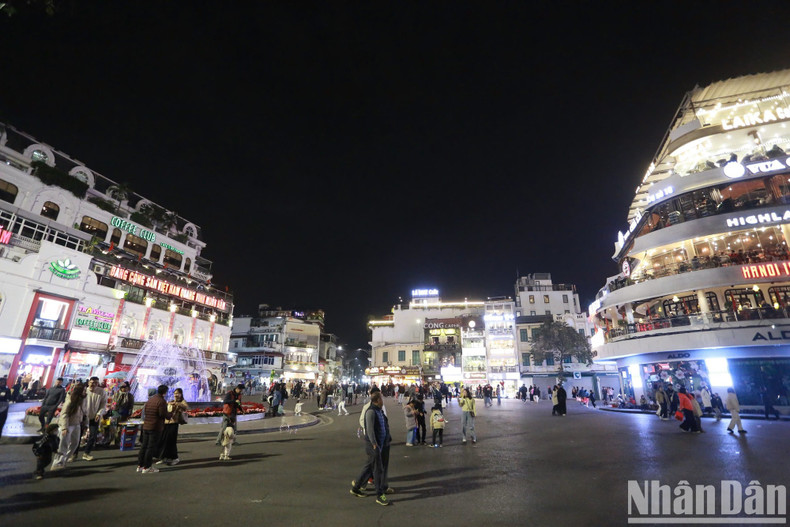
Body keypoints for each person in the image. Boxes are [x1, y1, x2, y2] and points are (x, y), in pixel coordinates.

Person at [350, 392, 392, 506]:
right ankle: (380, 495)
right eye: (381, 399)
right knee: (377, 470)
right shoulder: (371, 411)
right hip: (373, 445)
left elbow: (384, 426)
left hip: (380, 444)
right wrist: (374, 443)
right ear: (377, 400)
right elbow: (370, 430)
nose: (382, 401)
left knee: (369, 468)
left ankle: (356, 488)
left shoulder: (379, 411)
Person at [51, 382, 87, 471]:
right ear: (79, 391)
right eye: (84, 390)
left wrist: (85, 424)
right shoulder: (70, 400)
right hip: (68, 425)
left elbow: (84, 412)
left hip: (77, 424)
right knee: (63, 444)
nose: (85, 392)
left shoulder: (82, 400)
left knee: (74, 444)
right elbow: (64, 414)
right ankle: (57, 463)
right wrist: (64, 427)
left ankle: (64, 461)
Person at [137, 385, 172, 474]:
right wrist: (170, 414)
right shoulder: (161, 401)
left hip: (146, 426)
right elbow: (162, 414)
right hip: (155, 426)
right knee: (150, 447)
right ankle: (147, 467)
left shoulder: (151, 400)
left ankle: (140, 465)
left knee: (144, 446)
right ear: (165, 392)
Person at [156, 387, 188, 466]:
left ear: (181, 394)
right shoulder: (171, 401)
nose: (176, 395)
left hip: (174, 423)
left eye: (177, 393)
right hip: (166, 423)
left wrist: (176, 403)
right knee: (164, 441)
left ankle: (175, 458)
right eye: (175, 393)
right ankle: (164, 457)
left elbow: (185, 407)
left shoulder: (182, 402)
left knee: (171, 441)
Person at [81, 376, 108, 461]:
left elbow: (103, 404)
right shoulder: (84, 391)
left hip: (94, 417)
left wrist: (99, 413)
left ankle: (86, 453)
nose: (93, 384)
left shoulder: (101, 392)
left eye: (96, 383)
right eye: (92, 382)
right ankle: (73, 454)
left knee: (93, 435)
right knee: (78, 436)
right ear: (89, 382)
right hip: (83, 417)